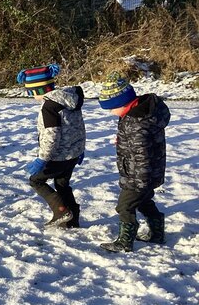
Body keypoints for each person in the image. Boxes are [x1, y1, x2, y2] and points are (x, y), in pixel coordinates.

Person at [98, 73, 170, 252]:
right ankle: (157, 233)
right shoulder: (138, 114)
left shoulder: (136, 123)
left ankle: (125, 241)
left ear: (121, 103)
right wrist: (123, 140)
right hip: (148, 172)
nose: (111, 113)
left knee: (125, 206)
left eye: (111, 108)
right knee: (145, 201)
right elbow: (140, 145)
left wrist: (138, 182)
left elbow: (141, 155)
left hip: (139, 175)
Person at [17, 64, 85, 228]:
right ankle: (72, 219)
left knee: (36, 181)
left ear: (38, 90)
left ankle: (61, 211)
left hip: (58, 156)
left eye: (30, 92)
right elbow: (79, 127)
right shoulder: (70, 100)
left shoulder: (49, 107)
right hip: (73, 154)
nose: (31, 95)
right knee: (62, 184)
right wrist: (81, 150)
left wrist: (42, 159)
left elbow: (51, 136)